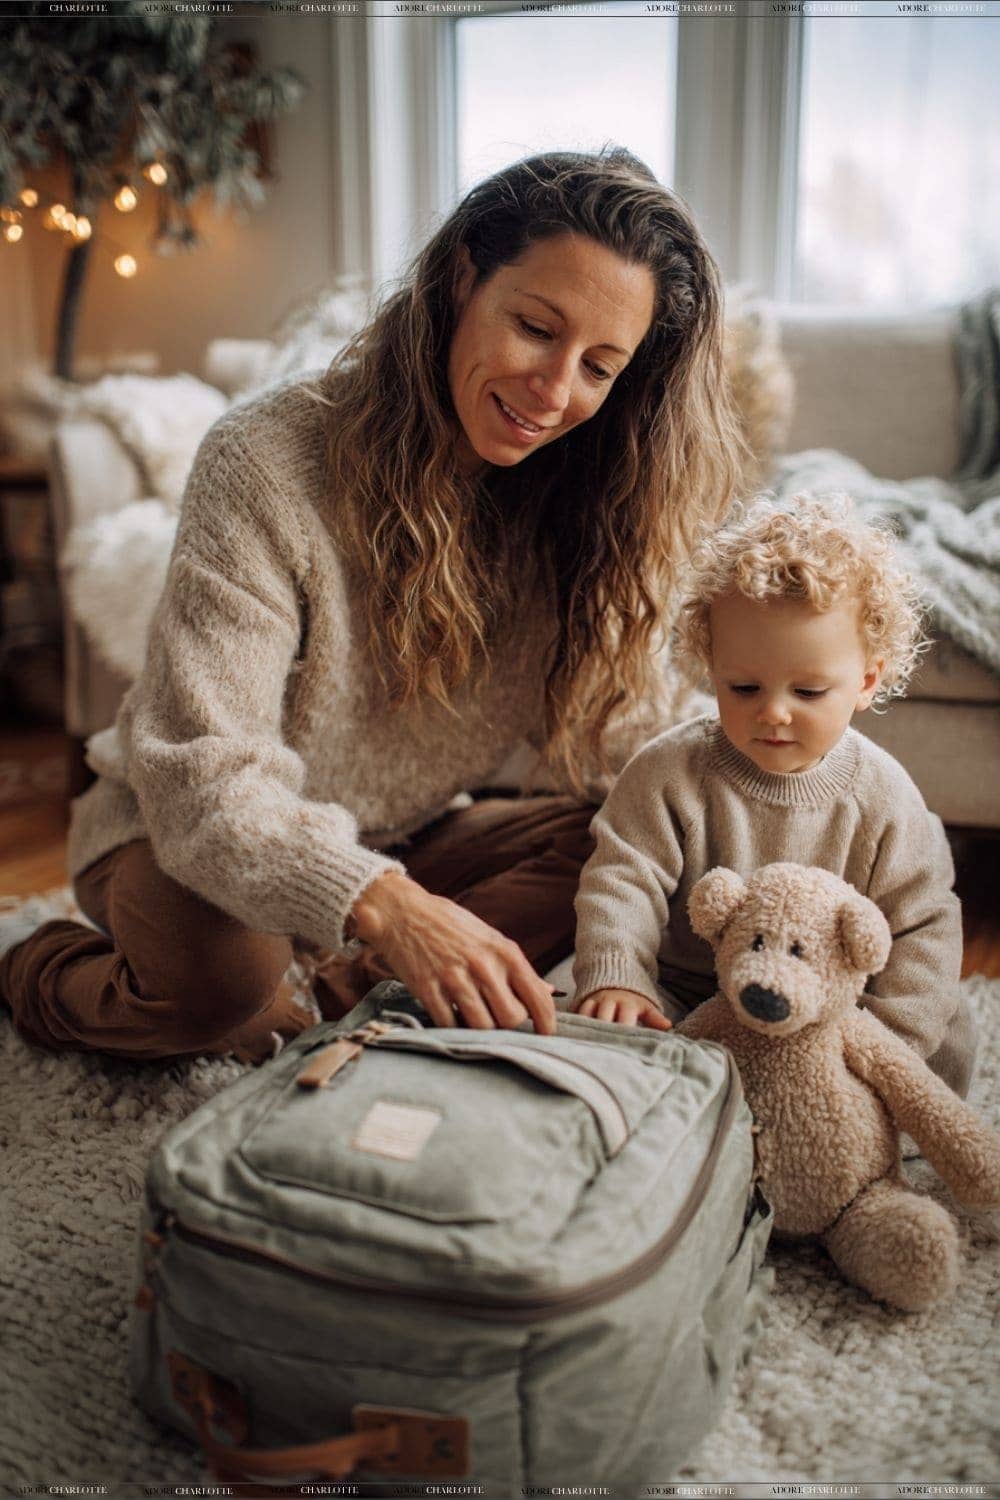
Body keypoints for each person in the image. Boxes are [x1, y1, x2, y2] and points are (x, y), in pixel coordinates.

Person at [0, 148, 745, 1063]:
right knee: (222, 987)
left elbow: (637, 737)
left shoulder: (585, 503)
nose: (554, 394)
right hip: (179, 833)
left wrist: (782, 786)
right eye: (535, 328)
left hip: (402, 834)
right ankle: (37, 965)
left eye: (599, 366)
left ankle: (318, 1000)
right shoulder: (268, 461)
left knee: (630, 841)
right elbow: (203, 780)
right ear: (465, 277)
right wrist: (391, 910)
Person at [572, 495, 976, 1097]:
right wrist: (620, 977)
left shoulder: (885, 796)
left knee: (950, 1032)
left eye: (809, 692)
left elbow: (923, 926)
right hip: (694, 991)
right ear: (711, 668)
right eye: (743, 687)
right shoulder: (669, 771)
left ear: (867, 681)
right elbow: (620, 879)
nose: (774, 713)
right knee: (588, 1018)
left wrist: (888, 1041)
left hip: (832, 1007)